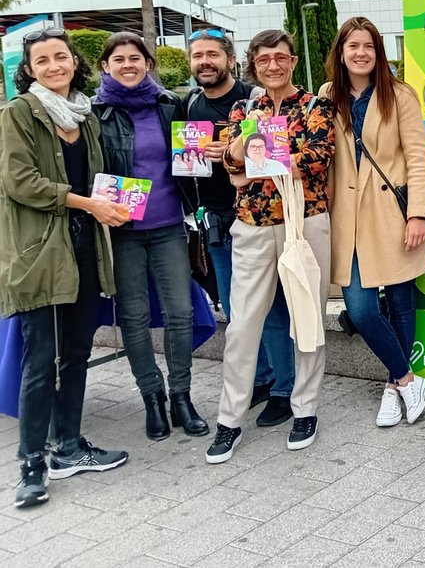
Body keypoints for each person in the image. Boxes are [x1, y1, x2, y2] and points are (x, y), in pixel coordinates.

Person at [0, 29, 129, 507]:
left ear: (75, 62)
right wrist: (89, 204)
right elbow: (20, 183)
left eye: (61, 57)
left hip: (86, 250)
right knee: (40, 361)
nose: (54, 66)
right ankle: (31, 465)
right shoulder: (18, 113)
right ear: (29, 70)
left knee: (76, 352)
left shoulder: (85, 115)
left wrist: (115, 202)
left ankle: (69, 448)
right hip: (40, 255)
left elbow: (98, 178)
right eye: (43, 60)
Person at [206, 29, 335, 464]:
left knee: (307, 318)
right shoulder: (246, 107)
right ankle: (229, 419)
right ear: (253, 64)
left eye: (281, 57)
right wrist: (246, 155)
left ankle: (306, 408)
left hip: (305, 224)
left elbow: (318, 155)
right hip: (253, 224)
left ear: (294, 61)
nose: (273, 65)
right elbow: (228, 161)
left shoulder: (316, 105)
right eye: (264, 60)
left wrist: (253, 160)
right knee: (242, 324)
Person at [93, 32, 209, 440]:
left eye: (136, 58)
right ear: (105, 66)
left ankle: (182, 396)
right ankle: (152, 397)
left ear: (148, 63)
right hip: (122, 232)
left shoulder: (168, 104)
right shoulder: (94, 113)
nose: (128, 64)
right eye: (119, 58)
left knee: (181, 313)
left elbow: (189, 157)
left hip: (168, 228)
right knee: (134, 319)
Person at [321, 17, 425, 428]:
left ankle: (391, 387)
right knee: (362, 309)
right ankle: (406, 379)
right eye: (353, 46)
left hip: (392, 212)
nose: (361, 53)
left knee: (402, 302)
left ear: (378, 50)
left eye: (368, 45)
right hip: (346, 218)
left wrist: (417, 213)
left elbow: (418, 157)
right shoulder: (327, 96)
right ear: (341, 52)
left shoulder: (399, 94)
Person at [185, 28, 295, 429]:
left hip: (257, 217)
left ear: (230, 59)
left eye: (212, 54)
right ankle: (262, 380)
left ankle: (285, 388)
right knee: (236, 311)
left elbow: (269, 158)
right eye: (198, 56)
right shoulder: (191, 103)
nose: (205, 62)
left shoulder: (252, 101)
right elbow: (184, 163)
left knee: (272, 310)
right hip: (216, 219)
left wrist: (230, 152)